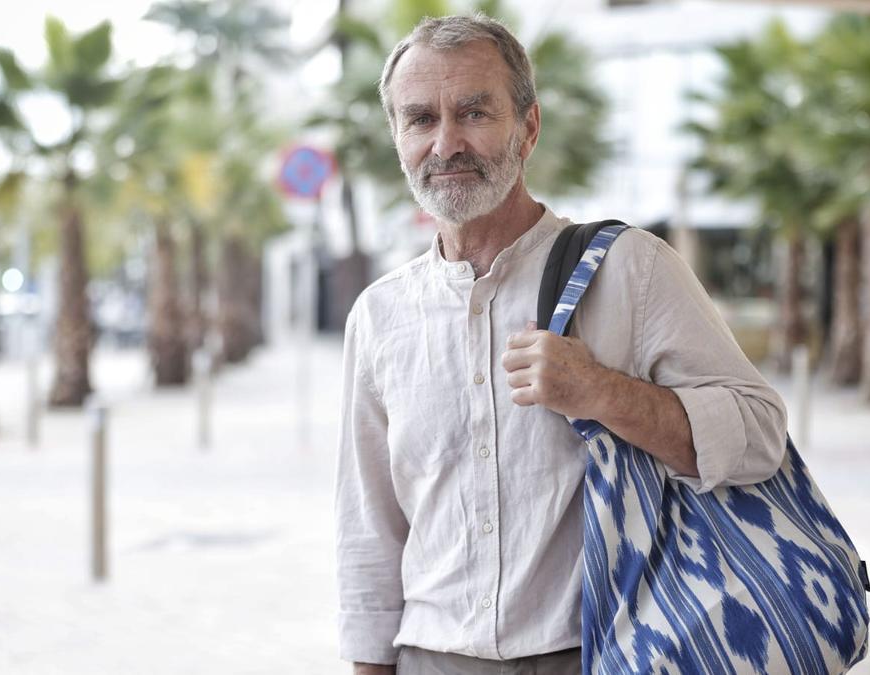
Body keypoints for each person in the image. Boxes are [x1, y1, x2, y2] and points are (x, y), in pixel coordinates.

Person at [335, 14, 788, 675]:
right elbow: (369, 531)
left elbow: (760, 435)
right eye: (421, 119)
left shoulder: (631, 269)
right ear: (398, 138)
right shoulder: (379, 316)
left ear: (529, 128)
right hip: (430, 656)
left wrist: (603, 392)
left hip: (606, 652)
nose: (447, 143)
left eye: (474, 113)